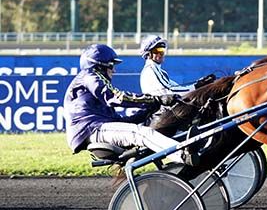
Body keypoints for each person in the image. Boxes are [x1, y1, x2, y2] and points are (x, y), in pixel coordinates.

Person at [63, 43, 193, 165]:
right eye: (111, 66)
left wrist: (146, 112)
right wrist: (155, 99)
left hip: (94, 128)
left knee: (142, 132)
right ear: (100, 66)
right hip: (91, 129)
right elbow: (116, 97)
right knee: (143, 134)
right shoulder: (90, 76)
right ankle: (183, 155)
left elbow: (121, 121)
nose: (113, 71)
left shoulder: (90, 83)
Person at [139, 35, 215, 95]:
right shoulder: (150, 70)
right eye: (157, 51)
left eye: (162, 51)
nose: (160, 54)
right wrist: (196, 86)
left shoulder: (160, 71)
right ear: (148, 54)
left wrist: (200, 83)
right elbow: (170, 90)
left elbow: (178, 88)